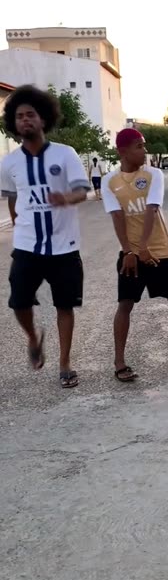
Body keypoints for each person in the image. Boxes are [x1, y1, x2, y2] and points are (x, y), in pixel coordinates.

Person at [0, 85, 90, 388]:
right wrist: (17, 224)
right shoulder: (9, 162)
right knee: (18, 301)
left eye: (31, 114)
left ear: (43, 119)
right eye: (19, 116)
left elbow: (82, 191)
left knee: (65, 305)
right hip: (27, 245)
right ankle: (33, 337)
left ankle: (65, 363)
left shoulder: (65, 154)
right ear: (14, 123)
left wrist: (66, 198)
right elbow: (12, 197)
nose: (25, 120)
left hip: (64, 246)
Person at [102, 128, 168, 382]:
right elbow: (117, 216)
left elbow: (151, 210)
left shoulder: (154, 174)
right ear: (123, 151)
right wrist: (129, 251)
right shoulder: (109, 181)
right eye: (139, 147)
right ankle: (119, 361)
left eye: (144, 146)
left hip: (160, 251)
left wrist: (144, 248)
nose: (144, 151)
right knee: (125, 304)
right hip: (130, 254)